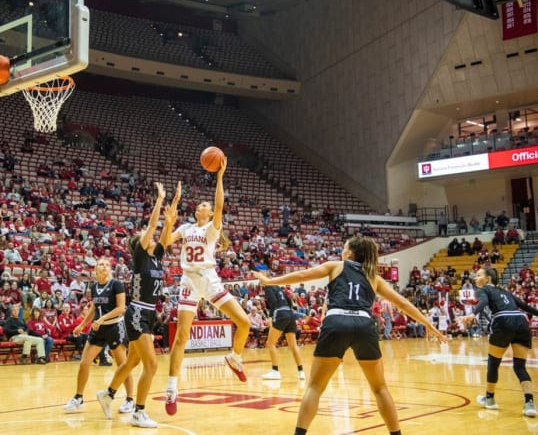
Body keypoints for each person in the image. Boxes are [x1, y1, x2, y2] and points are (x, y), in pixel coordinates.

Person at [253, 236, 446, 435]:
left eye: (344, 248)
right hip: (364, 324)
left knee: (315, 387)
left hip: (336, 321)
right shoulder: (373, 277)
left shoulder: (336, 266)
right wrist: (428, 325)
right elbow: (403, 304)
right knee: (380, 388)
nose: (342, 251)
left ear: (350, 253)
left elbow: (302, 275)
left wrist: (270, 281)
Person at [164, 158, 251, 415]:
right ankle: (172, 389)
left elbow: (220, 204)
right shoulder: (186, 227)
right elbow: (166, 241)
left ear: (210, 213)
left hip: (210, 278)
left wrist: (220, 176)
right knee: (181, 336)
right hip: (189, 280)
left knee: (244, 322)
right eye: (201, 204)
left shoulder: (212, 230)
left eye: (205, 205)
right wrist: (170, 218)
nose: (202, 206)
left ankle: (235, 358)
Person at [94, 182, 179, 428]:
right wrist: (160, 199)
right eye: (146, 238)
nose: (151, 239)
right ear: (140, 244)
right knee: (151, 365)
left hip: (149, 314)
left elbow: (164, 233)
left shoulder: (155, 257)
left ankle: (108, 394)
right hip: (137, 312)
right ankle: (138, 412)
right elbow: (154, 227)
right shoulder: (141, 255)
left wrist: (172, 209)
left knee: (133, 362)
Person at [460, 267, 538, 417]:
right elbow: (525, 307)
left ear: (488, 279)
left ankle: (490, 399)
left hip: (503, 321)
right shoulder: (506, 292)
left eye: (478, 275)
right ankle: (529, 403)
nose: (475, 278)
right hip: (521, 322)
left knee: (493, 362)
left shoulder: (485, 289)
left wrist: (472, 313)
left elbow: (484, 301)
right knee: (520, 367)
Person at [64, 258, 134, 417]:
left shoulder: (116, 284)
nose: (105, 267)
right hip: (98, 328)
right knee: (84, 363)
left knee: (122, 365)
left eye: (108, 265)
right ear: (95, 269)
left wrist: (102, 319)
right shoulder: (95, 286)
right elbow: (94, 308)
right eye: (101, 264)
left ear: (110, 269)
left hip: (115, 327)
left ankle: (130, 399)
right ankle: (78, 397)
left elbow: (121, 308)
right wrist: (82, 325)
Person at [260, 280, 305, 380]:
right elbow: (289, 301)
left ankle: (275, 371)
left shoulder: (268, 287)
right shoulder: (278, 287)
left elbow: (274, 302)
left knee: (270, 343)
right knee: (293, 345)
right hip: (289, 313)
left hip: (280, 313)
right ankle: (301, 371)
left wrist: (270, 316)